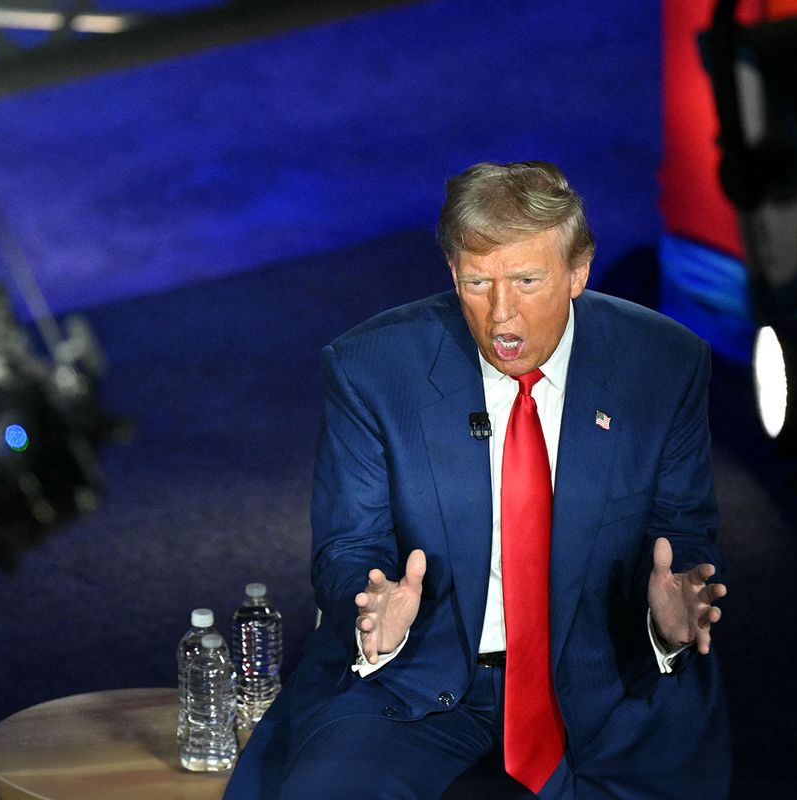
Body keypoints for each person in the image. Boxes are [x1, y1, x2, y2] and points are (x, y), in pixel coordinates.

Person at [227, 161, 730, 799]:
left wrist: (670, 617)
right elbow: (350, 546)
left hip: (608, 672)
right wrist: (373, 610)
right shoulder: (372, 371)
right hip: (417, 674)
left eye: (526, 280)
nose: (500, 315)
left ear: (578, 272)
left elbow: (682, 533)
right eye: (476, 282)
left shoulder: (663, 364)